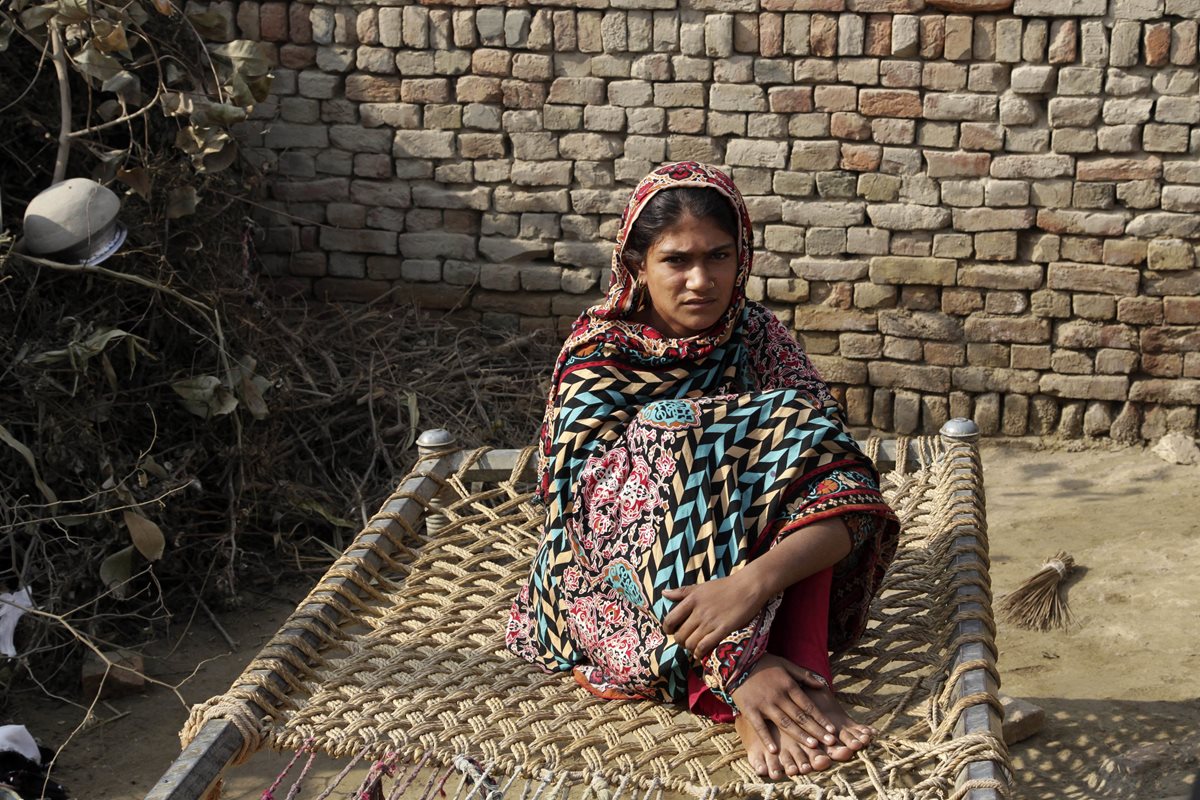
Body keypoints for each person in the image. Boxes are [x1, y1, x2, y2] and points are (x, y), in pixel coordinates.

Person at [506, 161, 900, 781]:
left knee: (804, 435)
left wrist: (749, 585)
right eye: (676, 261)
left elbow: (842, 484)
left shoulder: (759, 337)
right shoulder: (599, 357)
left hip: (751, 576)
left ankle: (796, 657)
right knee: (677, 432)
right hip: (616, 583)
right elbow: (582, 528)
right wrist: (731, 649)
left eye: (719, 257)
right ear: (638, 265)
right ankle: (737, 680)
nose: (701, 280)